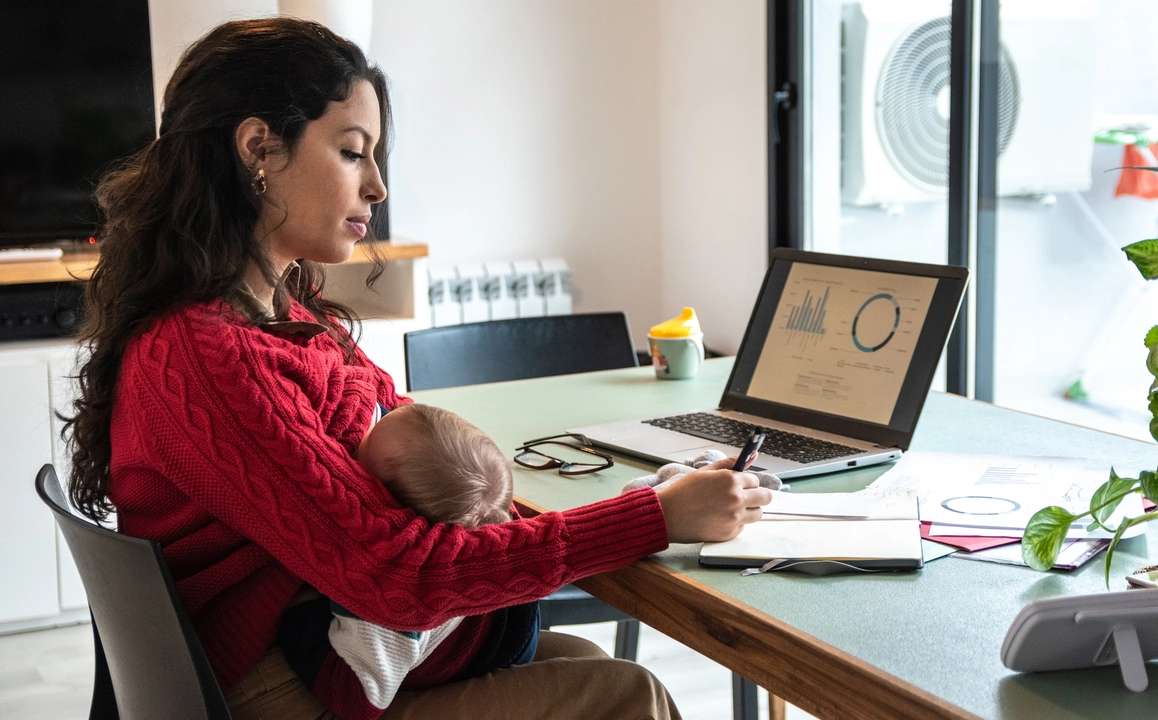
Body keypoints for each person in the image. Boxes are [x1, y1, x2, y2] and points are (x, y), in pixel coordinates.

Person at [63, 16, 771, 720]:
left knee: (587, 666)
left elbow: (399, 463)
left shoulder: (283, 316)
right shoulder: (207, 354)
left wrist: (646, 499)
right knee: (626, 694)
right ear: (258, 150)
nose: (377, 187)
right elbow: (397, 571)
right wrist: (650, 518)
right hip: (267, 687)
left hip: (305, 642)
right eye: (351, 152)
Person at [278, 403, 540, 720]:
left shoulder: (396, 599)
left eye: (356, 460)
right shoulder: (472, 511)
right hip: (500, 612)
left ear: (396, 516)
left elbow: (357, 697)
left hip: (489, 650)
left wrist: (298, 617)